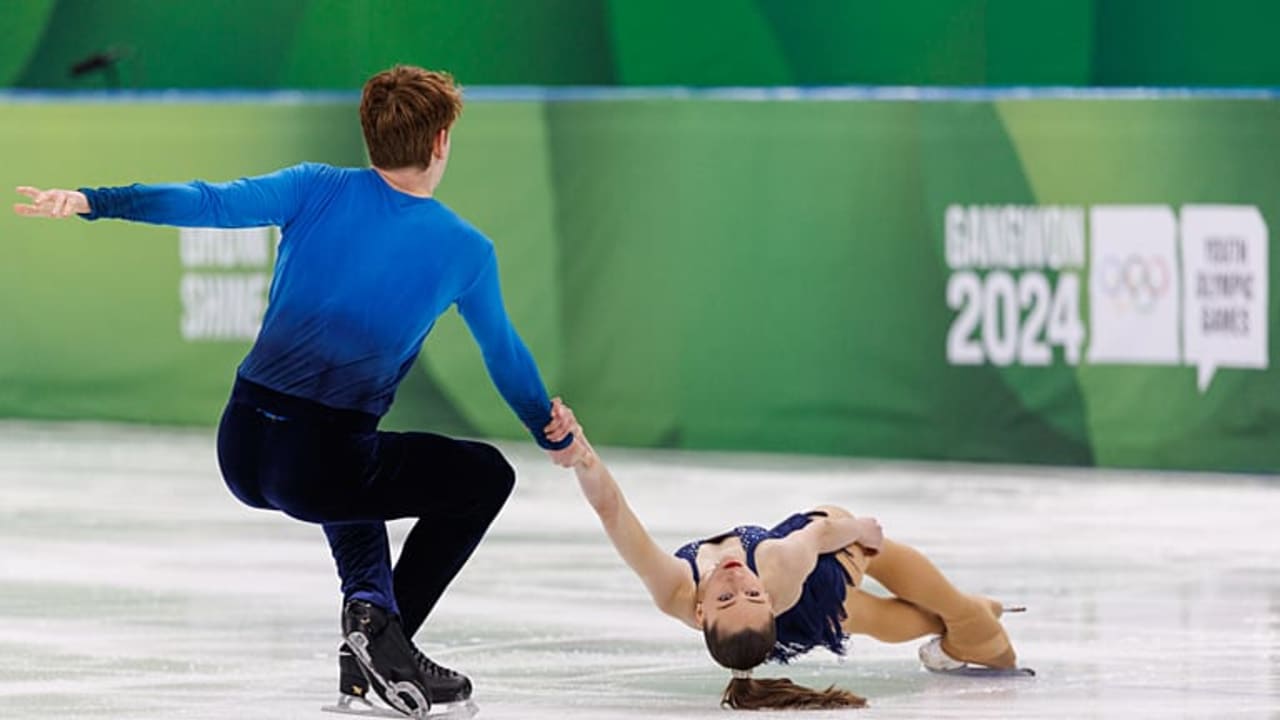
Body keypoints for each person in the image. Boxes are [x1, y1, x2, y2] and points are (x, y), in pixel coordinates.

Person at [12, 65, 576, 719]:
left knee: (359, 466)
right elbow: (503, 355)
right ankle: (386, 640)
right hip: (318, 465)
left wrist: (94, 198)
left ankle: (366, 640)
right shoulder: (464, 250)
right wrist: (547, 426)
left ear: (369, 136)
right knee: (483, 476)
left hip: (242, 443)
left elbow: (208, 202)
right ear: (443, 141)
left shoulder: (315, 188)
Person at [549, 403, 1025, 710]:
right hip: (803, 581)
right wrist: (860, 531)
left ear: (700, 610)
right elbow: (818, 536)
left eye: (727, 598)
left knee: (865, 590)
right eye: (748, 594)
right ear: (767, 601)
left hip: (776, 608)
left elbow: (611, 511)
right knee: (863, 570)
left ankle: (969, 616)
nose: (736, 580)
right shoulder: (774, 571)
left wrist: (581, 453)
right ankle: (970, 616)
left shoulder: (675, 586)